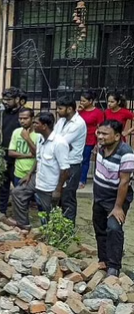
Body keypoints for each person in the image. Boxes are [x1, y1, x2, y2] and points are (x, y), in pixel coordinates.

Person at [9, 112, 70, 230]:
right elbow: (38, 158)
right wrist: (29, 174)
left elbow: (65, 169)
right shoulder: (41, 139)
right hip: (38, 179)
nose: (33, 125)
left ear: (44, 126)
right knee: (18, 193)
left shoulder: (59, 143)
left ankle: (51, 241)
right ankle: (24, 225)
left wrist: (58, 190)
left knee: (48, 215)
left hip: (50, 186)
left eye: (36, 123)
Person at [92, 120, 134, 277]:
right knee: (99, 227)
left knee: (114, 228)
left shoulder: (126, 153)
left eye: (104, 134)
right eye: (99, 133)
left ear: (117, 136)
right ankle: (103, 260)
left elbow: (124, 182)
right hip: (99, 196)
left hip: (115, 199)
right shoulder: (101, 147)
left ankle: (114, 267)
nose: (100, 136)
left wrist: (118, 207)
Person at [53, 95, 87, 223]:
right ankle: (59, 226)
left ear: (70, 109)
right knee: (59, 196)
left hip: (72, 165)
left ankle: (68, 231)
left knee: (68, 197)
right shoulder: (62, 121)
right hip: (60, 162)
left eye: (60, 108)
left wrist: (59, 142)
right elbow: (54, 138)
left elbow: (61, 142)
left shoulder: (78, 123)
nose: (57, 110)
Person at [0, 87, 24, 215]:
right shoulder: (1, 115)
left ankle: (20, 215)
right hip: (3, 155)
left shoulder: (23, 115)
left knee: (19, 189)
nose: (5, 102)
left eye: (8, 99)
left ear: (17, 99)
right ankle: (2, 213)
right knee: (3, 187)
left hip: (18, 157)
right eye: (4, 99)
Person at [78, 91, 104, 189]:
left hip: (90, 138)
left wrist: (98, 142)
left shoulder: (97, 112)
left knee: (85, 159)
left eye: (84, 101)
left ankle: (82, 179)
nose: (81, 103)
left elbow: (100, 127)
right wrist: (78, 111)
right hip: (80, 138)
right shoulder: (81, 111)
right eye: (81, 100)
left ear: (90, 101)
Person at [8, 108, 40, 186]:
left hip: (34, 174)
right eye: (20, 118)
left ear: (32, 118)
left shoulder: (38, 135)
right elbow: (10, 152)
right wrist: (28, 155)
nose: (22, 121)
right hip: (18, 173)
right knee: (18, 196)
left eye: (25, 118)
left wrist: (27, 138)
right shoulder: (16, 132)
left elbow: (38, 154)